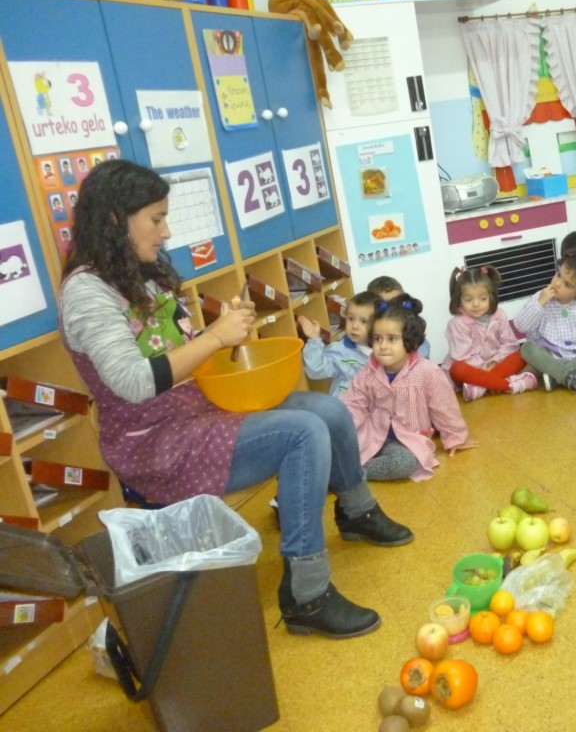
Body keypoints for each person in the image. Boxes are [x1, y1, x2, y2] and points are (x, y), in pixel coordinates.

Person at [59, 160, 411, 640]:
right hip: (155, 442)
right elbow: (134, 381)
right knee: (303, 433)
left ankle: (357, 512)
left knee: (328, 411)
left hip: (195, 410)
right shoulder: (87, 292)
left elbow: (177, 352)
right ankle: (307, 593)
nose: (166, 231)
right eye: (156, 219)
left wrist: (221, 332)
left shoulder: (136, 272)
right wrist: (214, 338)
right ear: (116, 219)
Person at [344, 294, 475, 481]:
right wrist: (343, 432)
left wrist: (455, 437)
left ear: (410, 340)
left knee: (404, 463)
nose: (383, 346)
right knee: (340, 449)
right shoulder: (367, 372)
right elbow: (353, 404)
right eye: (378, 339)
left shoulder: (427, 372)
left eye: (392, 339)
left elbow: (444, 407)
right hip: (372, 433)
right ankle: (343, 468)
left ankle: (353, 474)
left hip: (407, 441)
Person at [513, 250, 576, 394]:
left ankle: (557, 377)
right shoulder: (540, 297)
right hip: (550, 356)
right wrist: (540, 304)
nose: (557, 283)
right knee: (527, 348)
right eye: (559, 275)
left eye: (567, 284)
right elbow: (520, 326)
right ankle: (570, 377)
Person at [441, 265, 536, 401]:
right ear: (459, 300)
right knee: (457, 368)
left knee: (522, 354)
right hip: (471, 370)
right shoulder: (457, 324)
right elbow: (463, 357)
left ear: (491, 297)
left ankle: (480, 388)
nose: (476, 304)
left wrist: (494, 362)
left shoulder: (499, 314)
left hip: (496, 364)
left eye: (483, 299)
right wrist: (484, 368)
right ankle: (509, 386)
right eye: (468, 300)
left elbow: (509, 344)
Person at [296, 290, 379, 399]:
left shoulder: (388, 353)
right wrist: (314, 340)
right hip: (342, 407)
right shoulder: (340, 351)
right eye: (351, 319)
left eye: (363, 321)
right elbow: (316, 371)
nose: (354, 326)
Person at [367, 274, 430, 358]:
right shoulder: (370, 342)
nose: (394, 311)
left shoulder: (418, 342)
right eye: (386, 306)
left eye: (398, 304)